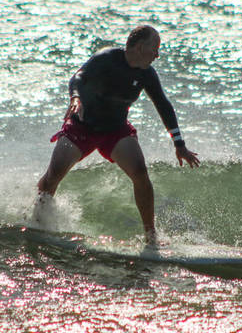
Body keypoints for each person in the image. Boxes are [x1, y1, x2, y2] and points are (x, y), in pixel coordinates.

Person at [35, 25, 199, 244]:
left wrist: (179, 144)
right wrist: (75, 98)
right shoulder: (107, 59)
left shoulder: (147, 74)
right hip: (82, 128)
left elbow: (163, 106)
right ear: (140, 47)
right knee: (52, 177)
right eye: (155, 49)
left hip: (115, 130)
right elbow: (79, 77)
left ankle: (151, 236)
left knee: (140, 173)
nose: (157, 55)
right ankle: (38, 222)